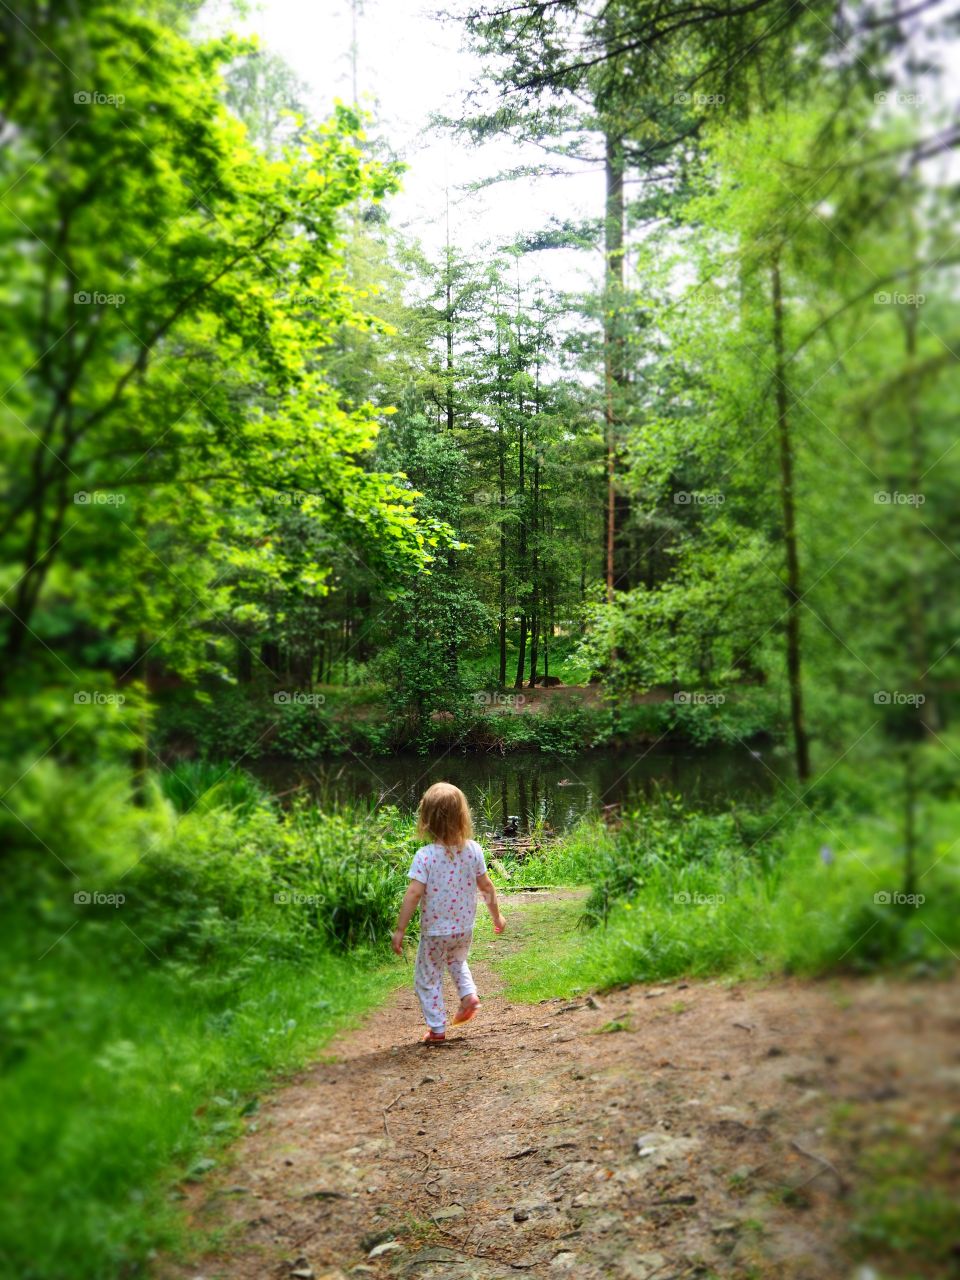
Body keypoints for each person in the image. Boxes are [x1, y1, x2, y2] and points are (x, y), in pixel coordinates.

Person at [392, 781, 506, 1043]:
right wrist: (496, 916)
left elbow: (413, 894)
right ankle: (469, 996)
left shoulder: (425, 856)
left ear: (428, 820)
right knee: (456, 961)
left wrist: (400, 930)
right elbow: (486, 886)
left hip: (435, 933)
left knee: (427, 978)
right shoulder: (474, 850)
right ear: (462, 816)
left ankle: (437, 1029)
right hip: (463, 929)